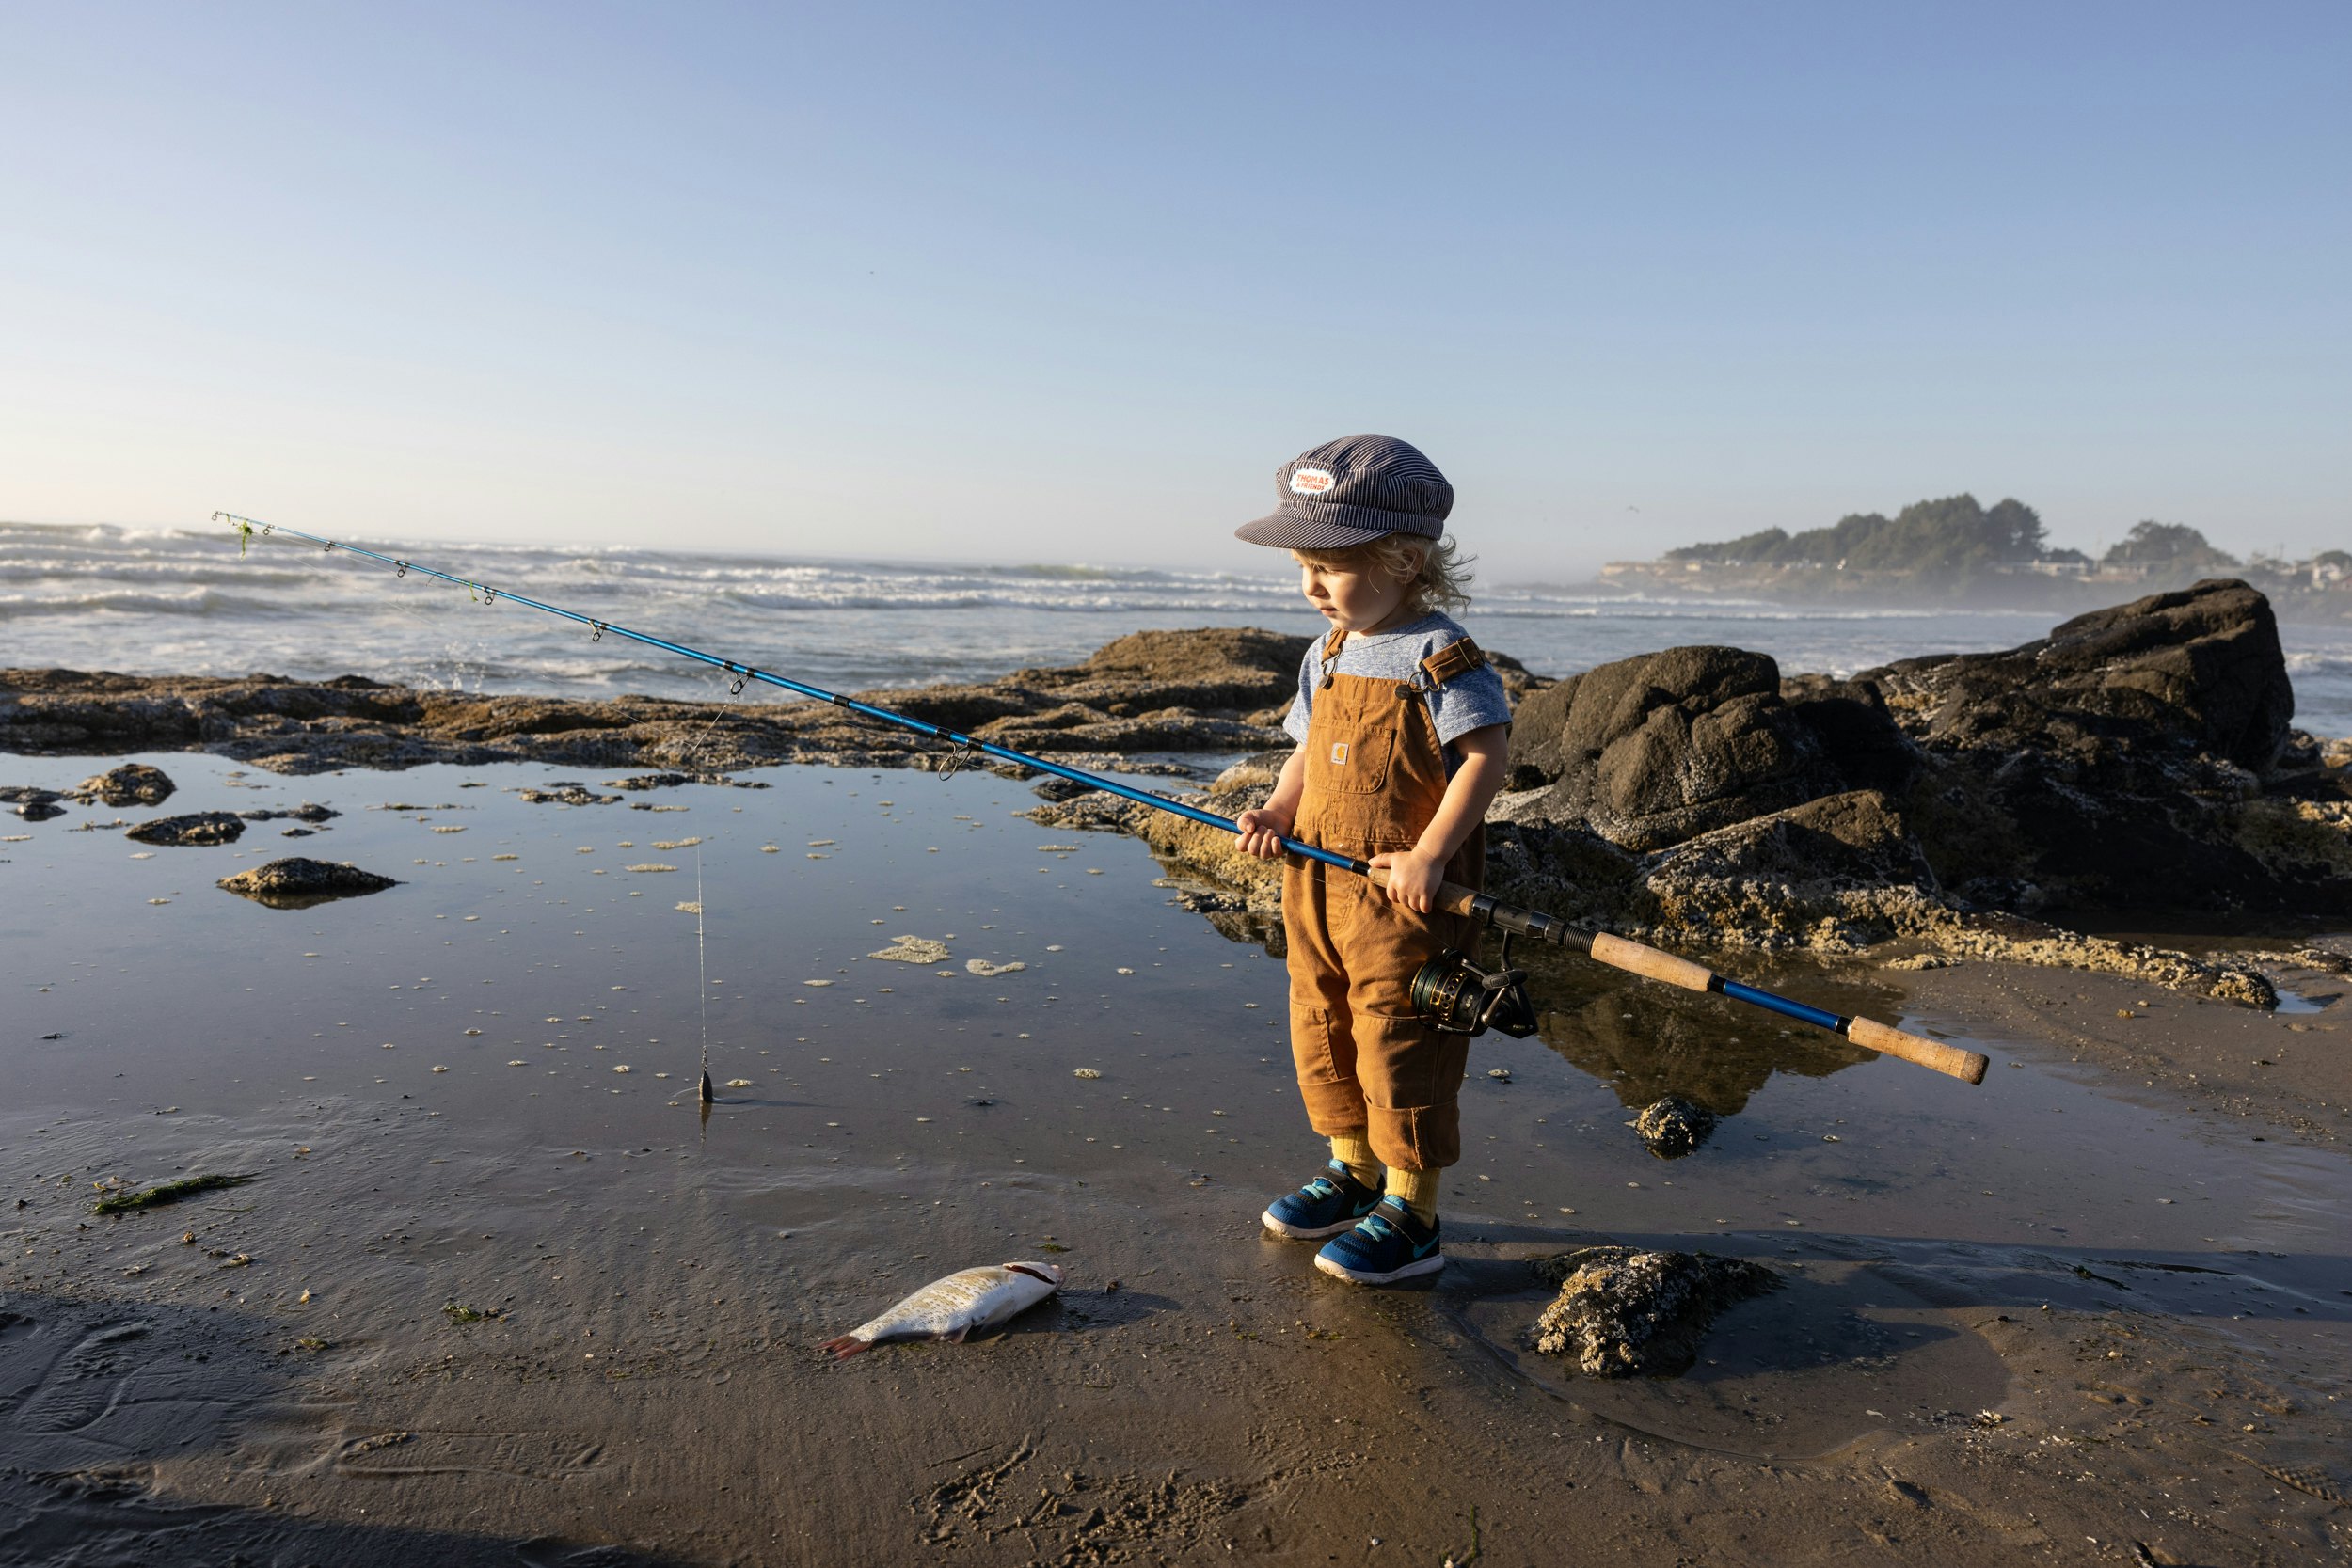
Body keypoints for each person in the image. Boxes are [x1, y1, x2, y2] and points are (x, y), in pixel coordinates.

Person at [1232, 435, 1512, 1285]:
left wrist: (1432, 853)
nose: (1311, 586)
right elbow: (1310, 748)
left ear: (1407, 558)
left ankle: (1413, 1209)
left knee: (1400, 1035)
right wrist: (1280, 808)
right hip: (1317, 879)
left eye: (1332, 566)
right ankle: (1352, 1167)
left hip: (1405, 896)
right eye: (1302, 566)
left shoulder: (1440, 652)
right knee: (1321, 1022)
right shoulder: (1330, 650)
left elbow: (1485, 757)